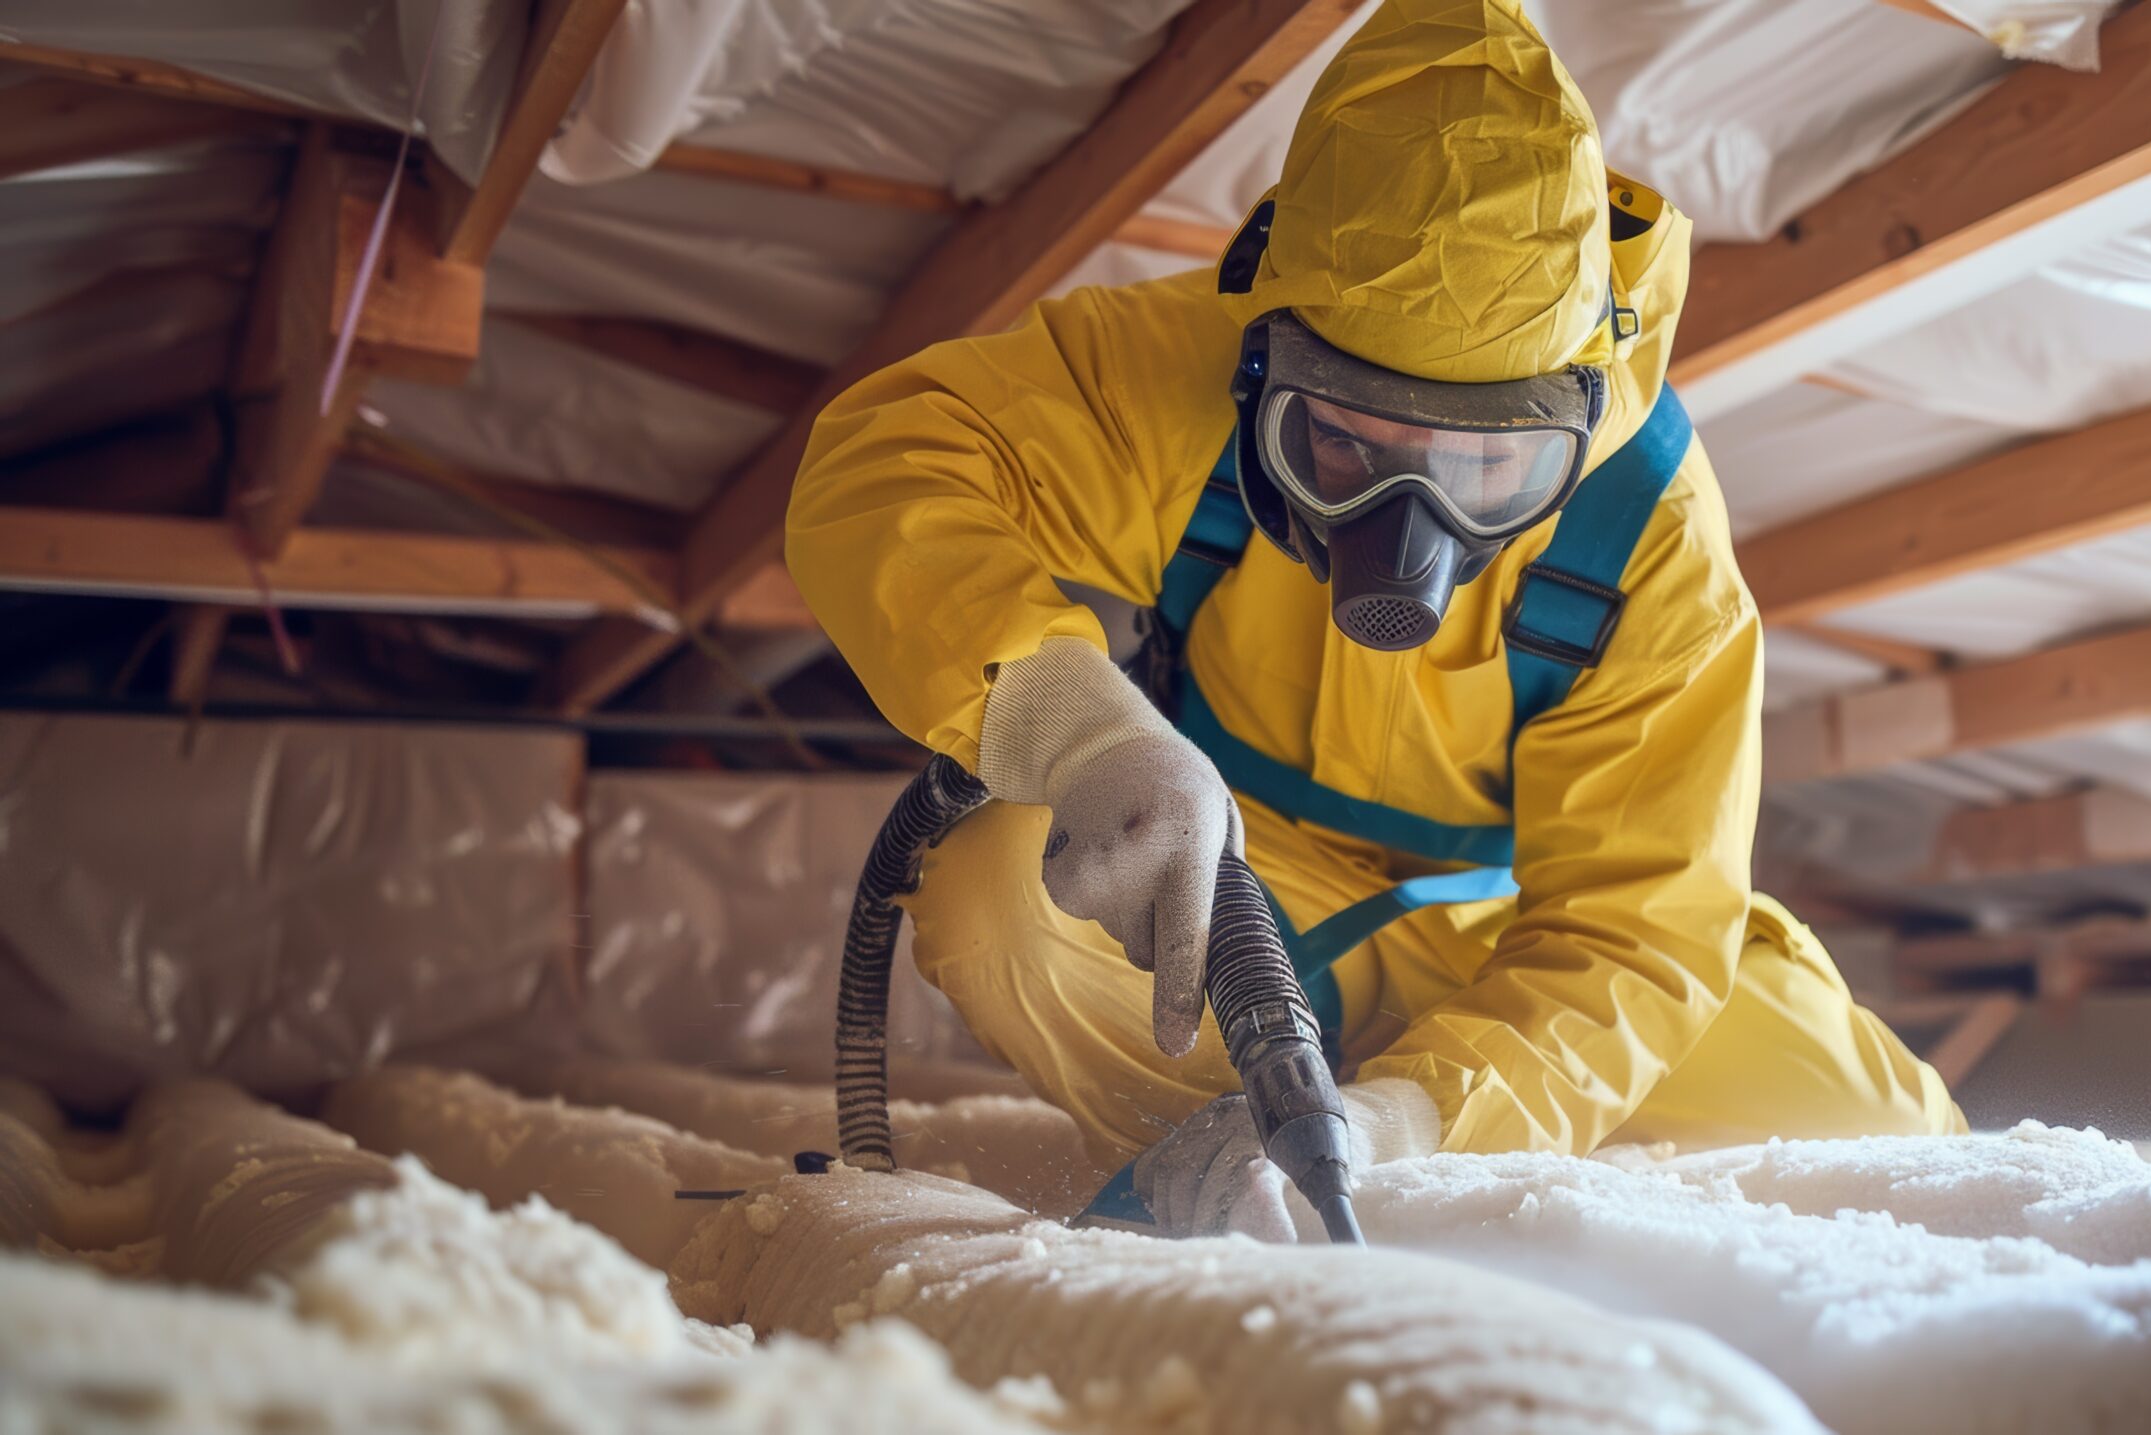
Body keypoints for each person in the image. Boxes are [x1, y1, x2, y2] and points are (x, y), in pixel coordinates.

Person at [786, 0, 1962, 1239]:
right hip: (1229, 864)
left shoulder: (1654, 537)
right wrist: (1078, 732)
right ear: (1270, 368)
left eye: (1483, 468)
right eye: (1342, 444)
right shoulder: (1185, 373)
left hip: (1521, 928)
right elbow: (889, 464)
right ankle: (1217, 1173)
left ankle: (1369, 1134)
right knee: (994, 901)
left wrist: (1415, 1118)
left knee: (1871, 1130)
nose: (1407, 531)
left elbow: (1636, 929)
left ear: (1571, 415)